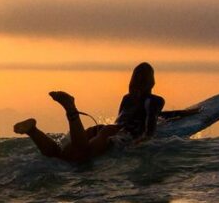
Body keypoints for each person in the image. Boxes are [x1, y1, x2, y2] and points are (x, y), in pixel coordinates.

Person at [13, 62, 197, 164]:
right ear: (152, 82)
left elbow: (145, 115)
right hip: (117, 135)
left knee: (61, 156)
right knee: (82, 154)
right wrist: (144, 140)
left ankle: (33, 131)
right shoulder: (155, 100)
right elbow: (150, 120)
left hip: (103, 129)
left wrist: (179, 114)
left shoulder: (128, 97)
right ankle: (71, 110)